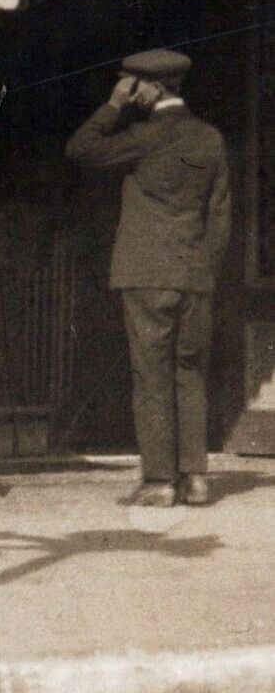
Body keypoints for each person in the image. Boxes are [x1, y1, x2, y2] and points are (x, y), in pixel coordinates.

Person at [66, 49, 231, 507]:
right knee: (190, 374)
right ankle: (195, 479)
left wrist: (114, 105)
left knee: (151, 376)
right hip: (194, 276)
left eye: (131, 83)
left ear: (154, 87)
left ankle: (159, 481)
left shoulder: (142, 136)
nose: (127, 89)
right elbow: (219, 216)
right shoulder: (210, 138)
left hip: (145, 273)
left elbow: (79, 149)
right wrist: (204, 271)